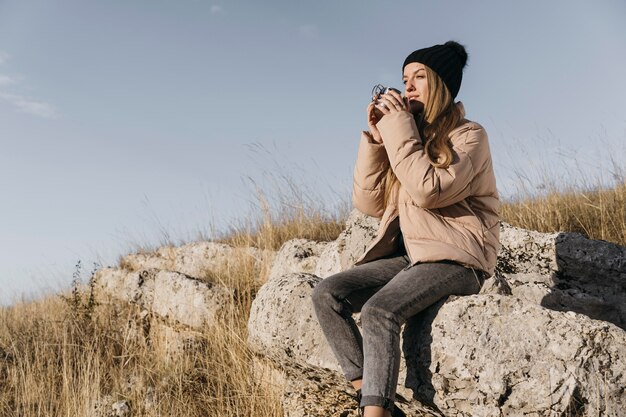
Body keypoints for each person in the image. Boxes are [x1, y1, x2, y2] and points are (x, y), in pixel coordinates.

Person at [311, 40, 500, 417]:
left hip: (458, 257)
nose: (407, 86)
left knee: (380, 310)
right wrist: (378, 142)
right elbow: (370, 204)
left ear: (442, 86)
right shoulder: (406, 138)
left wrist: (399, 129)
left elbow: (430, 191)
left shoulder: (469, 135)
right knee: (326, 294)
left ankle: (373, 413)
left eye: (419, 77)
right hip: (412, 255)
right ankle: (370, 394)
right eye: (403, 79)